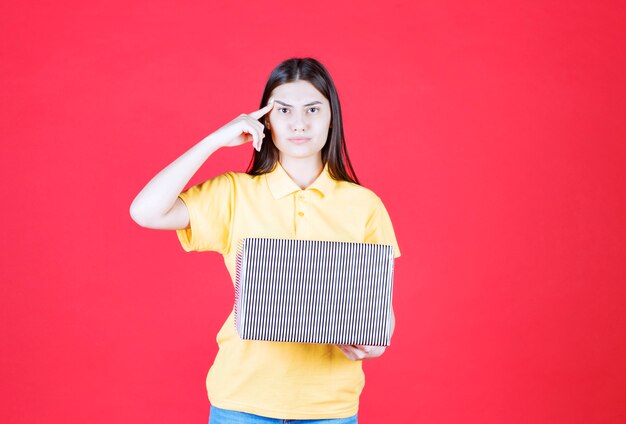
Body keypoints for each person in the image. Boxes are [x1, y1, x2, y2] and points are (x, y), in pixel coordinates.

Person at [130, 57, 401, 423]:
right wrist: (214, 140)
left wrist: (374, 343)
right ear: (266, 120)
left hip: (330, 408)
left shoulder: (365, 206)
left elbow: (379, 309)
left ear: (331, 117)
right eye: (284, 110)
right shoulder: (234, 193)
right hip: (241, 403)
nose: (299, 123)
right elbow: (145, 212)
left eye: (313, 109)